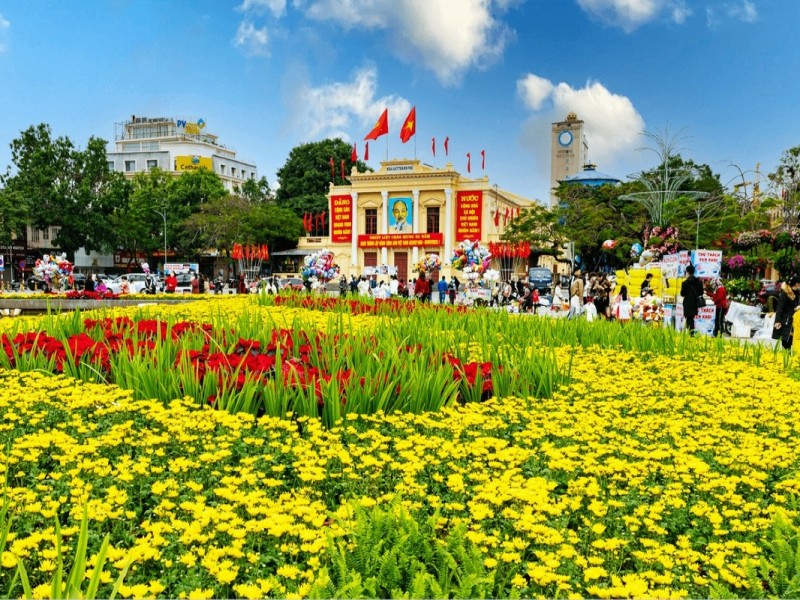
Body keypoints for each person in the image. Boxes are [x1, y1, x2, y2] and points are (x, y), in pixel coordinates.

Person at [772, 277, 800, 350]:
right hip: (786, 322)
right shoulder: (784, 294)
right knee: (786, 343)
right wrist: (777, 321)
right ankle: (787, 359)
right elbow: (780, 308)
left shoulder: (797, 293)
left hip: (795, 322)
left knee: (792, 343)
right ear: (797, 284)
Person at [680, 264, 705, 336]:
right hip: (695, 302)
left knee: (689, 318)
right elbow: (701, 292)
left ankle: (691, 333)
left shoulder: (684, 283)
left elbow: (682, 294)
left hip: (687, 302)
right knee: (691, 318)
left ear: (687, 272)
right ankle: (691, 333)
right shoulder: (699, 282)